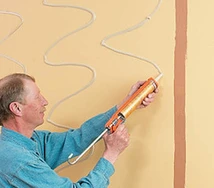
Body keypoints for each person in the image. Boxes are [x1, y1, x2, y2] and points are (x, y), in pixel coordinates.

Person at [0, 73, 158, 188]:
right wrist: (111, 155)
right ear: (16, 108)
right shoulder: (17, 160)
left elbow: (78, 139)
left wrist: (128, 103)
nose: (45, 101)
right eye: (37, 97)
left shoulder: (32, 141)